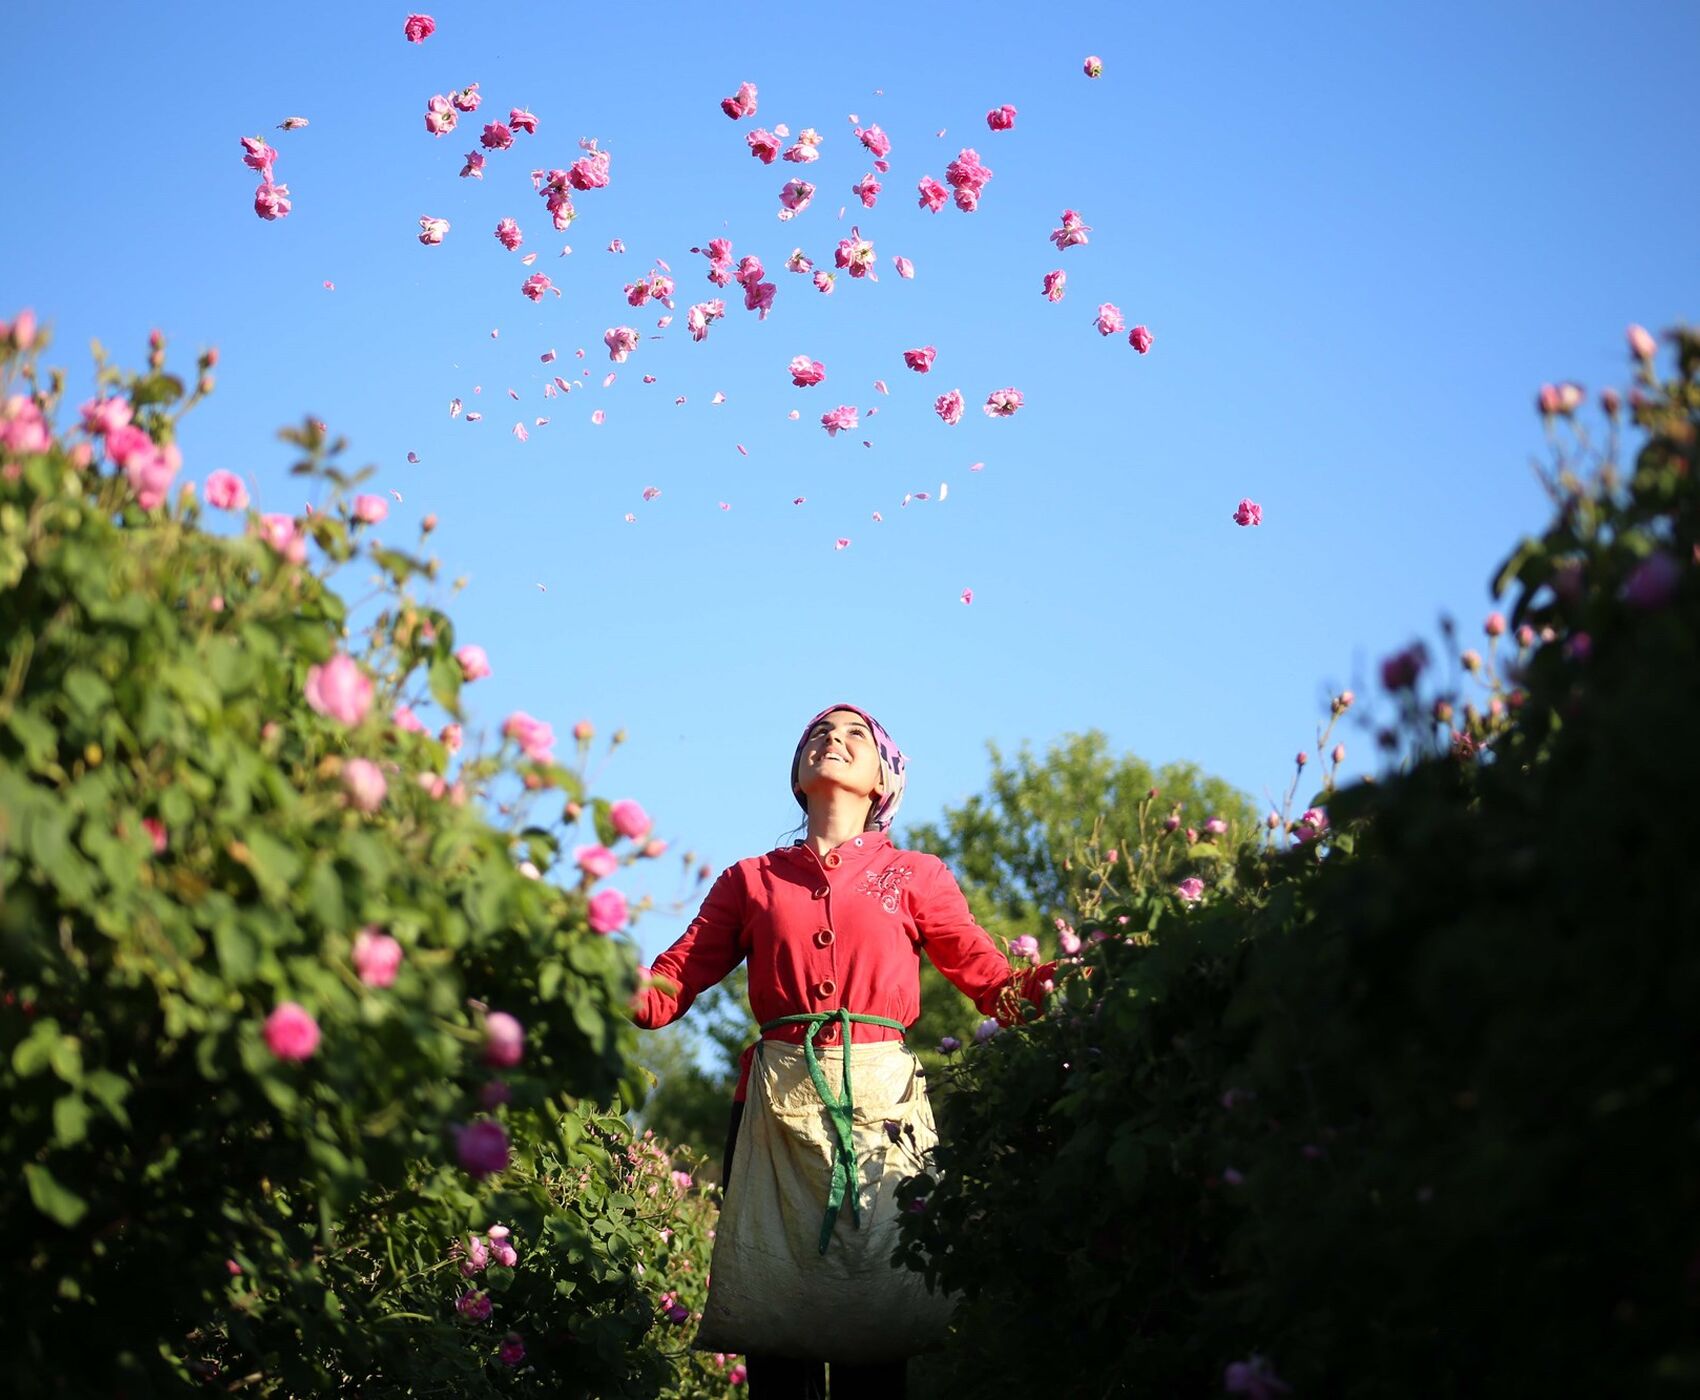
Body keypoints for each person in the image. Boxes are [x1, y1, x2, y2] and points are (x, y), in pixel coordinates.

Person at [628, 704, 1059, 1400]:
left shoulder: (916, 873)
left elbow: (993, 984)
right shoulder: (750, 879)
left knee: (875, 1333)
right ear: (798, 774)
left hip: (883, 1107)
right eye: (820, 734)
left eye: (856, 735)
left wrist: (1070, 985)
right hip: (774, 1108)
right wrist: (597, 976)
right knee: (777, 1331)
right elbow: (666, 988)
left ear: (883, 780)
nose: (834, 739)